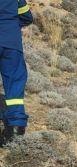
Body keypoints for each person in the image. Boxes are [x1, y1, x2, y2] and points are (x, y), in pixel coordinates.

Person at [0, 0, 33, 143]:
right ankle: (16, 130)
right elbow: (27, 16)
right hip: (12, 44)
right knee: (14, 85)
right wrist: (11, 27)